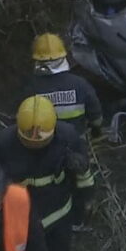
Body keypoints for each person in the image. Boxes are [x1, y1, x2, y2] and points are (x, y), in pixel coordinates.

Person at [0, 95, 89, 251]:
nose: (34, 144)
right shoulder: (5, 142)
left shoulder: (67, 137)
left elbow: (84, 171)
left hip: (58, 213)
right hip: (20, 217)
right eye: (28, 140)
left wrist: (80, 168)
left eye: (40, 141)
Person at [22, 32, 103, 230]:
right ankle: (80, 219)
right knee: (82, 180)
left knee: (49, 184)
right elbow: (96, 114)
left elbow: (21, 118)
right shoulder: (80, 84)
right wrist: (96, 130)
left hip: (42, 146)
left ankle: (49, 218)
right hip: (76, 144)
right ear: (63, 57)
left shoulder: (31, 87)